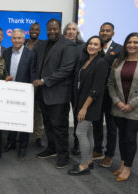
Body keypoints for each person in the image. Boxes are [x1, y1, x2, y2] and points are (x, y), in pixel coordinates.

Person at [108, 32, 138, 182]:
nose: (132, 45)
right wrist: (118, 102)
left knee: (130, 137)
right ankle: (123, 163)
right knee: (122, 137)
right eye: (129, 42)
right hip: (119, 107)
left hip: (137, 108)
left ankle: (128, 166)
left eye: (135, 42)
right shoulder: (118, 61)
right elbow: (110, 84)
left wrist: (131, 104)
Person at [33, 19, 77, 169]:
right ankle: (51, 148)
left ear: (60, 29)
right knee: (48, 124)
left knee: (59, 126)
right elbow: (37, 65)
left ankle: (63, 154)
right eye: (49, 29)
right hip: (42, 94)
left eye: (55, 29)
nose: (52, 31)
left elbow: (66, 70)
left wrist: (44, 81)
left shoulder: (69, 45)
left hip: (59, 94)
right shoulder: (42, 44)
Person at [67, 36, 108, 175]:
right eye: (90, 43)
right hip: (81, 102)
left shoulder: (101, 63)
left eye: (96, 44)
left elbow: (96, 88)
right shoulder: (85, 60)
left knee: (80, 132)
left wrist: (84, 107)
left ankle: (83, 165)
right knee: (88, 132)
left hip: (90, 104)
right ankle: (89, 160)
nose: (92, 46)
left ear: (101, 47)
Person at [2, 28, 36, 157]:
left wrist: (32, 91)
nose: (16, 40)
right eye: (14, 38)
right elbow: (3, 70)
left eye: (19, 38)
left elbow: (33, 73)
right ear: (11, 39)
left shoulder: (31, 54)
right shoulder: (6, 53)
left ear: (23, 39)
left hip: (25, 93)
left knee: (23, 120)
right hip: (9, 91)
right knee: (10, 118)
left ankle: (23, 146)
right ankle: (11, 142)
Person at [93, 22, 123, 168]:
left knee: (111, 125)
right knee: (96, 123)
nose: (104, 33)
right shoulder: (94, 46)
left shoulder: (119, 49)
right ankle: (97, 150)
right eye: (102, 30)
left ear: (113, 33)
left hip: (111, 94)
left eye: (108, 31)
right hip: (96, 94)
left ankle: (109, 154)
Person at [63, 22, 85, 155]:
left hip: (77, 88)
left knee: (78, 117)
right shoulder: (59, 45)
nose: (71, 31)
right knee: (61, 116)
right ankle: (63, 143)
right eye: (69, 29)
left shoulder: (83, 47)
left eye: (73, 29)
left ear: (77, 32)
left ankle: (77, 143)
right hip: (61, 87)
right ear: (65, 32)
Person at [25, 22, 44, 148]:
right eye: (32, 29)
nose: (34, 31)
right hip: (23, 81)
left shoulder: (43, 45)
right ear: (29, 30)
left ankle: (38, 137)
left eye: (37, 29)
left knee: (37, 111)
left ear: (40, 31)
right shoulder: (23, 43)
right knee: (22, 109)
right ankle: (22, 135)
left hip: (36, 82)